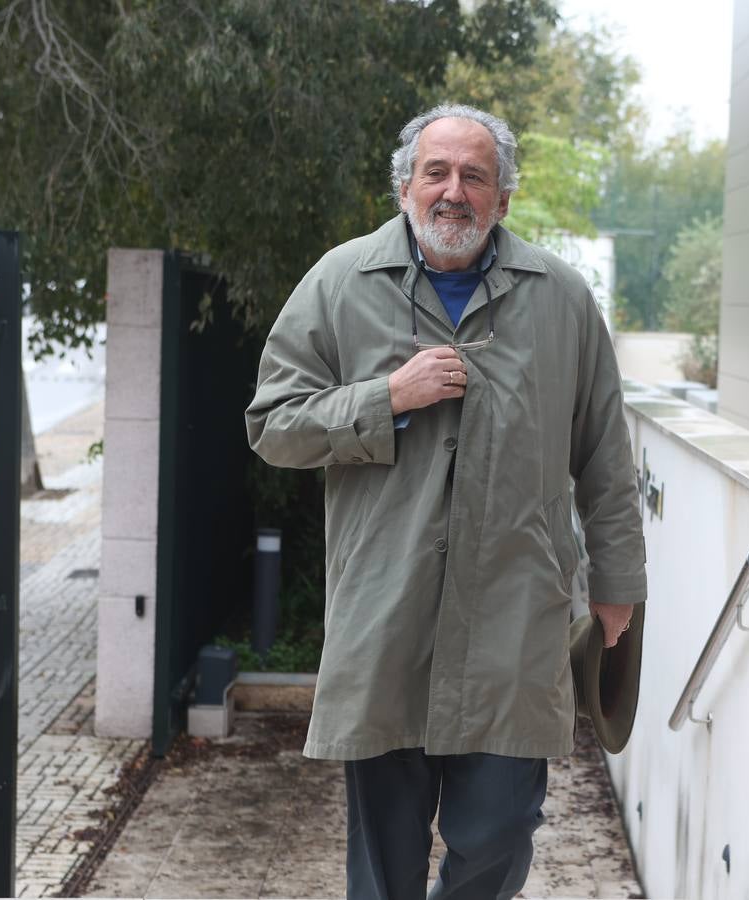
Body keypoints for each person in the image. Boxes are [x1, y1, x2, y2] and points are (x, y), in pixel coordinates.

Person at [245, 103, 646, 900]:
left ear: (503, 198)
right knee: (384, 859)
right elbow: (273, 424)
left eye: (475, 176)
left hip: (513, 617)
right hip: (385, 616)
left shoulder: (562, 299)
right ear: (404, 188)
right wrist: (386, 396)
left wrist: (617, 587)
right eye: (437, 172)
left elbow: (604, 452)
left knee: (499, 831)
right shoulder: (339, 282)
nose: (453, 191)